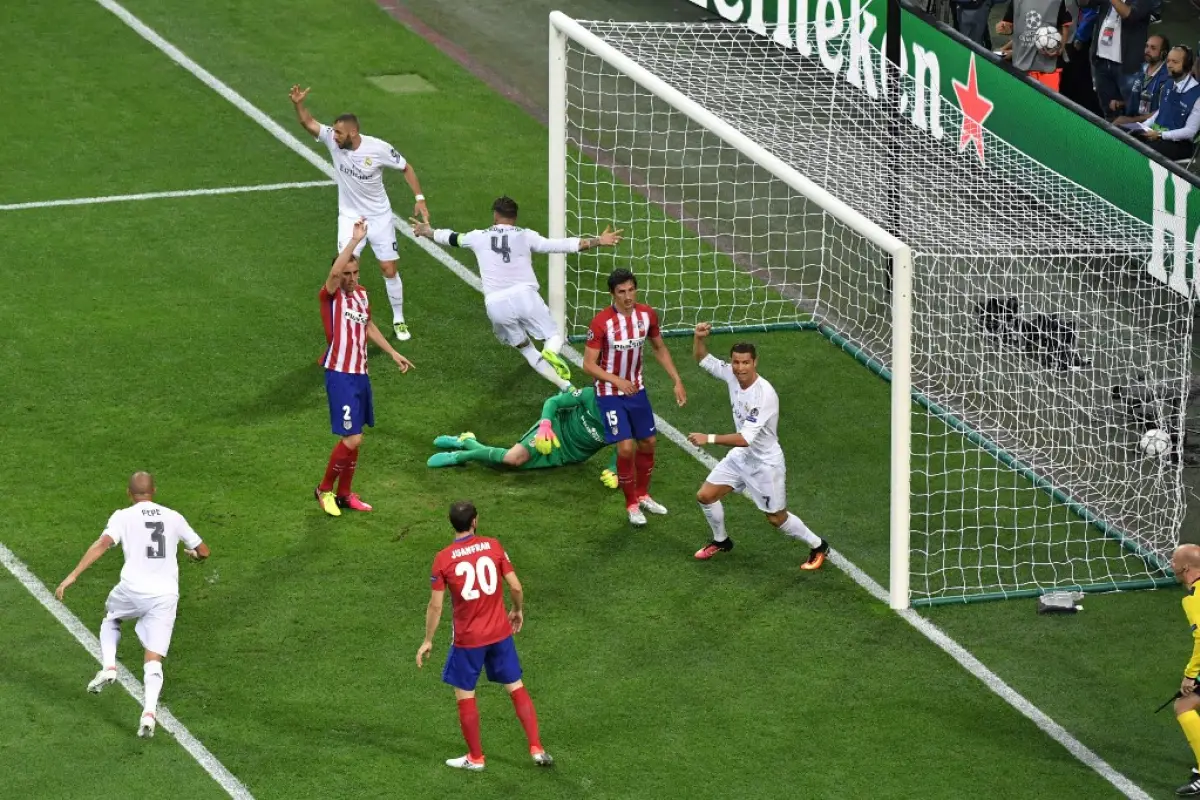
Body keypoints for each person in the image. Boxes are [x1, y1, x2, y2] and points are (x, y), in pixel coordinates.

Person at [54, 472, 210, 738]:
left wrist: (73, 574)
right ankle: (149, 712)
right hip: (165, 595)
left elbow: (103, 544)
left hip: (132, 589)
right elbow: (203, 551)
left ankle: (110, 666)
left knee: (111, 618)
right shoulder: (173, 516)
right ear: (154, 491)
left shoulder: (122, 516)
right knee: (154, 657)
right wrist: (194, 556)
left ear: (129, 493)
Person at [409, 196, 622, 389]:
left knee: (527, 349)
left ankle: (566, 387)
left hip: (496, 305)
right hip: (525, 297)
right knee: (554, 336)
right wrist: (597, 241)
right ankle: (550, 352)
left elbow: (452, 237)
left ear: (495, 215)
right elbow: (558, 245)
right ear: (515, 217)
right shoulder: (525, 235)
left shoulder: (477, 236)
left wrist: (427, 231)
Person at [416, 501, 553, 771]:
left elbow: (435, 605)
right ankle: (537, 748)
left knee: (465, 695)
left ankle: (476, 758)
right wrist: (516, 610)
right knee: (516, 687)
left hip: (468, 639)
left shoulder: (443, 559)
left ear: (451, 523)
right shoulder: (493, 546)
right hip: (500, 633)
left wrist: (428, 639)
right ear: (475, 521)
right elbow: (514, 586)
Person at [289, 85, 428, 341]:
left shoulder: (378, 149)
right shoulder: (333, 140)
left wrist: (419, 199)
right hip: (350, 217)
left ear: (353, 131)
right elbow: (308, 123)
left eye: (340, 132)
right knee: (345, 268)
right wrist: (298, 104)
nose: (335, 136)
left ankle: (398, 319)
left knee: (388, 269)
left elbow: (406, 167)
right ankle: (349, 317)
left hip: (379, 217)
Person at [685, 324, 828, 570]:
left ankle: (818, 545)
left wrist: (707, 438)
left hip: (765, 464)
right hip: (741, 457)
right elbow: (702, 358)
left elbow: (744, 438)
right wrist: (698, 338)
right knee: (705, 496)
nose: (740, 368)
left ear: (755, 363)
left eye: (745, 363)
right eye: (736, 362)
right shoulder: (731, 374)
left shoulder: (764, 395)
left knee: (776, 518)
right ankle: (722, 541)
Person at [316, 219, 414, 516]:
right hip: (340, 374)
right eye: (346, 273)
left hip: (361, 374)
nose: (351, 278)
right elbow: (334, 273)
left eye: (355, 272)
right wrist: (355, 241)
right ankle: (324, 490)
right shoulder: (330, 296)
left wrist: (394, 352)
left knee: (356, 437)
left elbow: (368, 325)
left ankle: (345, 493)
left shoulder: (362, 295)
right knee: (352, 437)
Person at [582, 268, 687, 527]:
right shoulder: (601, 323)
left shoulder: (646, 315)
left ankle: (643, 494)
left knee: (649, 442)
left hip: (636, 390)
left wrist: (676, 379)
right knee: (626, 447)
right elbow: (588, 364)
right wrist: (617, 381)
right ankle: (631, 504)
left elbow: (659, 347)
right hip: (610, 393)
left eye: (631, 290)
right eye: (621, 292)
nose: (627, 296)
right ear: (612, 294)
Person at [426, 386, 619, 487]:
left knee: (502, 464)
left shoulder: (628, 418)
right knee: (512, 458)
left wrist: (613, 469)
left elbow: (625, 446)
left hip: (569, 455)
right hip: (554, 431)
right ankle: (460, 457)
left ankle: (466, 441)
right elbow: (553, 402)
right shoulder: (590, 394)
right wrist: (545, 425)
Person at [1126, 46, 1200, 160]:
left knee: (1144, 150)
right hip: (1157, 134)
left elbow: (1190, 131)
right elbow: (1161, 111)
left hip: (1179, 144)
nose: (1169, 65)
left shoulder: (1197, 95)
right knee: (1125, 136)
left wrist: (1160, 135)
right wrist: (1143, 126)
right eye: (1168, 61)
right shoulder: (1168, 84)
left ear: (1187, 66)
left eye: (1175, 62)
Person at [1089, 0, 1155, 119]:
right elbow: (1086, 3)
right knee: (1108, 111)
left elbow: (1130, 15)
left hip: (1127, 67)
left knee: (1131, 113)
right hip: (1102, 61)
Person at [1169, 544, 1200, 796]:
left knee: (1184, 705)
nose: (1171, 565)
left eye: (1174, 560)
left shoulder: (1194, 599)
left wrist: (1191, 674)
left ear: (1185, 568)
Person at [996, 0, 1070, 91]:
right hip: (1022, 66)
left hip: (1047, 68)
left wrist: (1060, 48)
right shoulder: (1016, 2)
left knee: (1047, 102)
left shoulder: (1056, 2)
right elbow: (1012, 26)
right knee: (1024, 101)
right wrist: (1004, 28)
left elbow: (1065, 26)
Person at [1112, 35, 1171, 125]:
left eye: (1153, 48)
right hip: (1132, 120)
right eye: (1147, 46)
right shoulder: (1142, 68)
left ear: (1163, 53)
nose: (1147, 51)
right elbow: (1141, 99)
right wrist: (1122, 103)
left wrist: (1131, 120)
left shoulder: (1167, 78)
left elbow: (1162, 112)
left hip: (1148, 127)